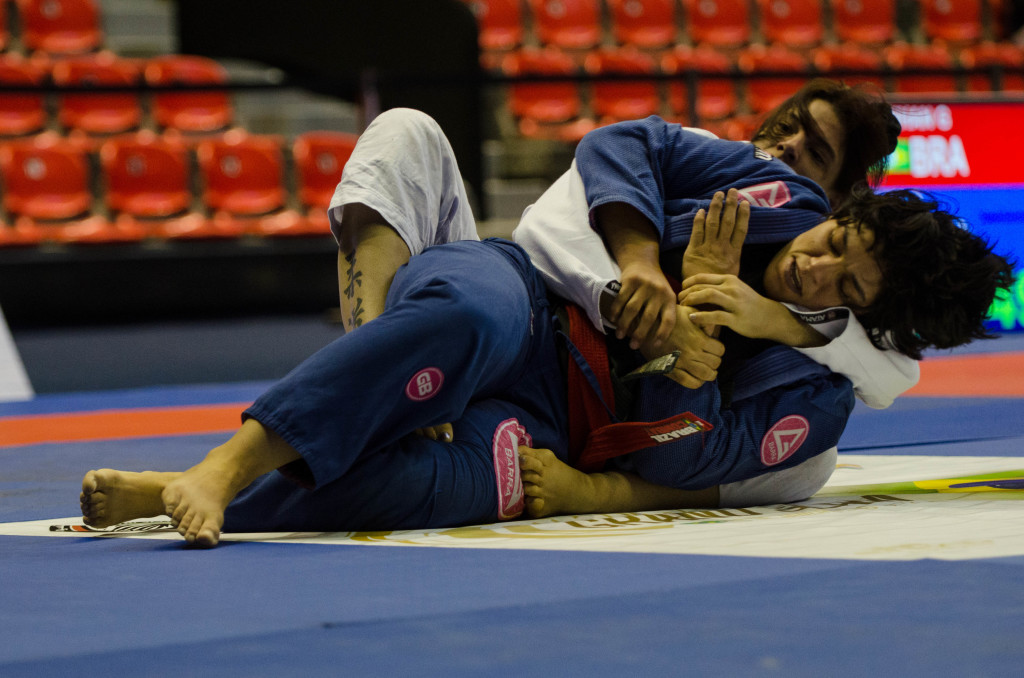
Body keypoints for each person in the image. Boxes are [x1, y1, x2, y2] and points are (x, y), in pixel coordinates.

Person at [79, 110, 1015, 547]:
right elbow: (622, 143)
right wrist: (648, 263)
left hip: (559, 421)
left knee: (448, 483)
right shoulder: (771, 190)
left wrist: (689, 356)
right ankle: (230, 459)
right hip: (528, 297)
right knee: (467, 313)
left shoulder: (816, 400)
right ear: (847, 209)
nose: (814, 264)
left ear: (874, 321)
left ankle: (183, 493)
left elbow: (688, 465)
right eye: (833, 241)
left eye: (845, 284)